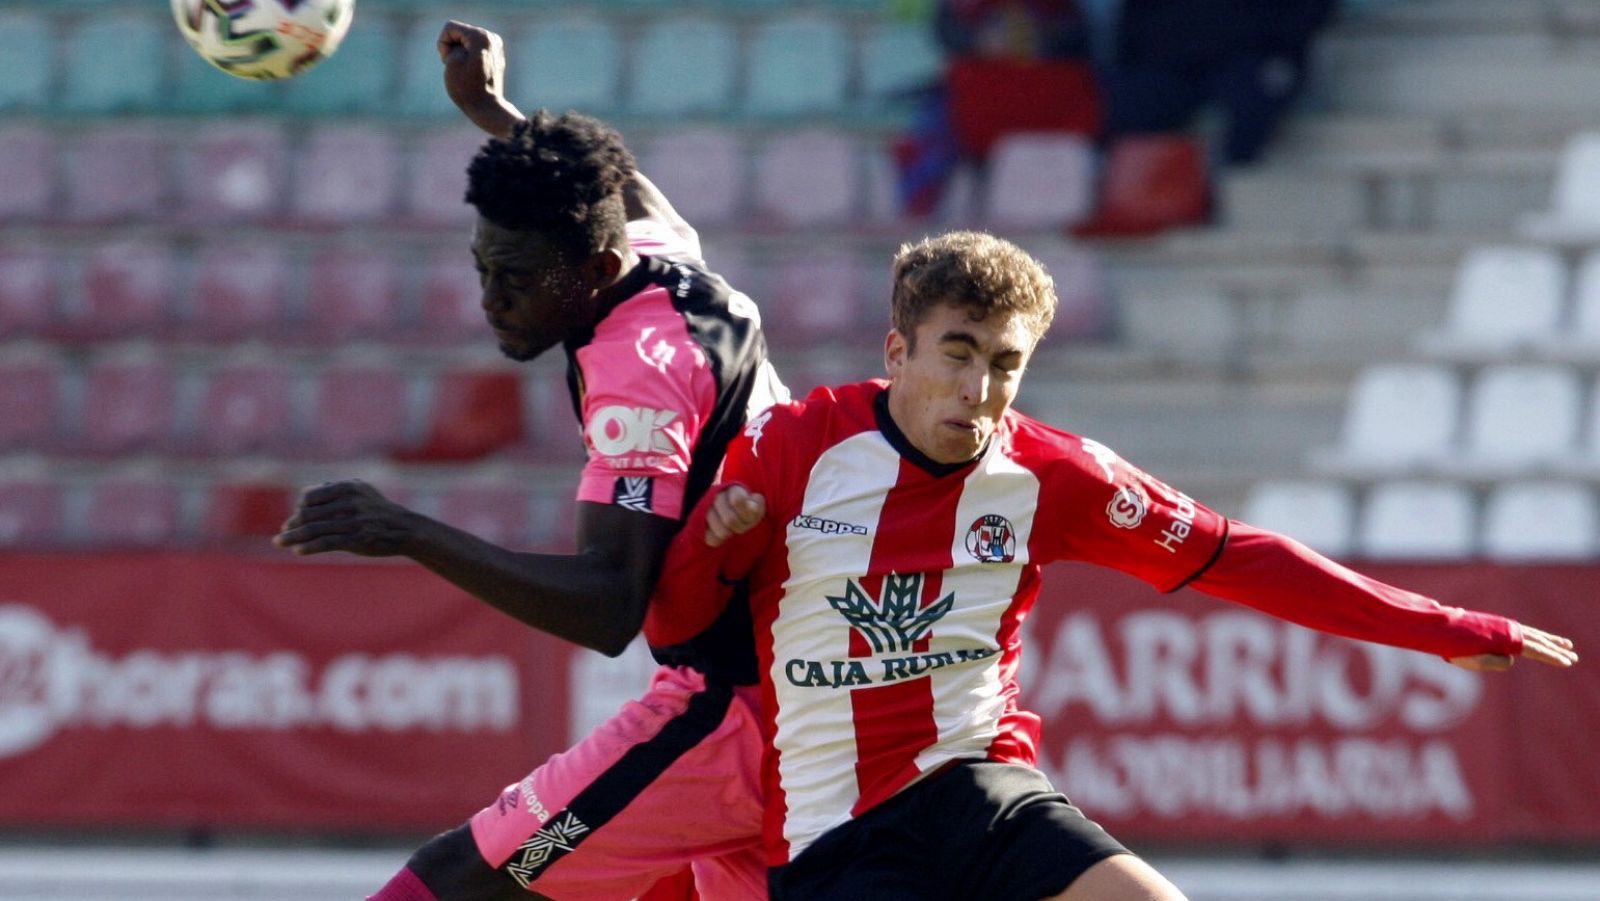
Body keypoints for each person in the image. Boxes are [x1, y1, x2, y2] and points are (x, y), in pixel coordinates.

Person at [645, 230, 1580, 901]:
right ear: (899, 352)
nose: (979, 390)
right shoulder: (794, 447)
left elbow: (1239, 558)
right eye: (957, 354)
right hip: (834, 827)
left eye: (1006, 365)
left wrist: (1443, 626)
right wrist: (714, 545)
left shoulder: (1053, 474)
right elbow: (673, 629)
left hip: (979, 786)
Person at [273, 21, 783, 901]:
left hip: (737, 709)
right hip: (793, 687)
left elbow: (607, 603)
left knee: (455, 883)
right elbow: (606, 179)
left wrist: (402, 529)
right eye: (480, 268)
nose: (491, 298)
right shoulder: (661, 252)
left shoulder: (641, 377)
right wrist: (491, 112)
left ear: (594, 263)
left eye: (516, 275)